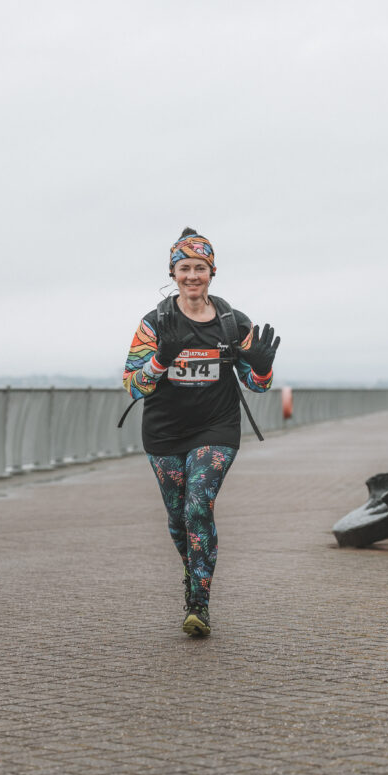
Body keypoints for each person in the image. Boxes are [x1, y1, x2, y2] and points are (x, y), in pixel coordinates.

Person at [122, 228, 280, 638]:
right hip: (164, 433)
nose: (192, 275)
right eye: (184, 268)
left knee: (197, 506)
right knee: (178, 520)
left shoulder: (233, 323)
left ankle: (199, 603)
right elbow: (133, 386)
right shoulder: (154, 323)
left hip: (216, 428)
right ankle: (193, 575)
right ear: (172, 273)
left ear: (212, 272)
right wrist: (160, 360)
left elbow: (257, 385)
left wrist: (262, 366)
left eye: (200, 268)